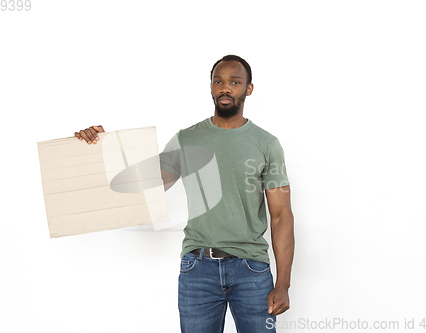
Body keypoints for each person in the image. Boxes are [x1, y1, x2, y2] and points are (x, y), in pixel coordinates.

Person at [74, 55, 295, 333]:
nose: (225, 88)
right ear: (211, 87)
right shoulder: (187, 139)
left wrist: (283, 284)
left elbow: (281, 215)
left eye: (235, 82)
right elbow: (145, 182)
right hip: (198, 269)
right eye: (218, 81)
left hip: (251, 269)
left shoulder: (266, 144)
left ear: (248, 89)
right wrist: (99, 146)